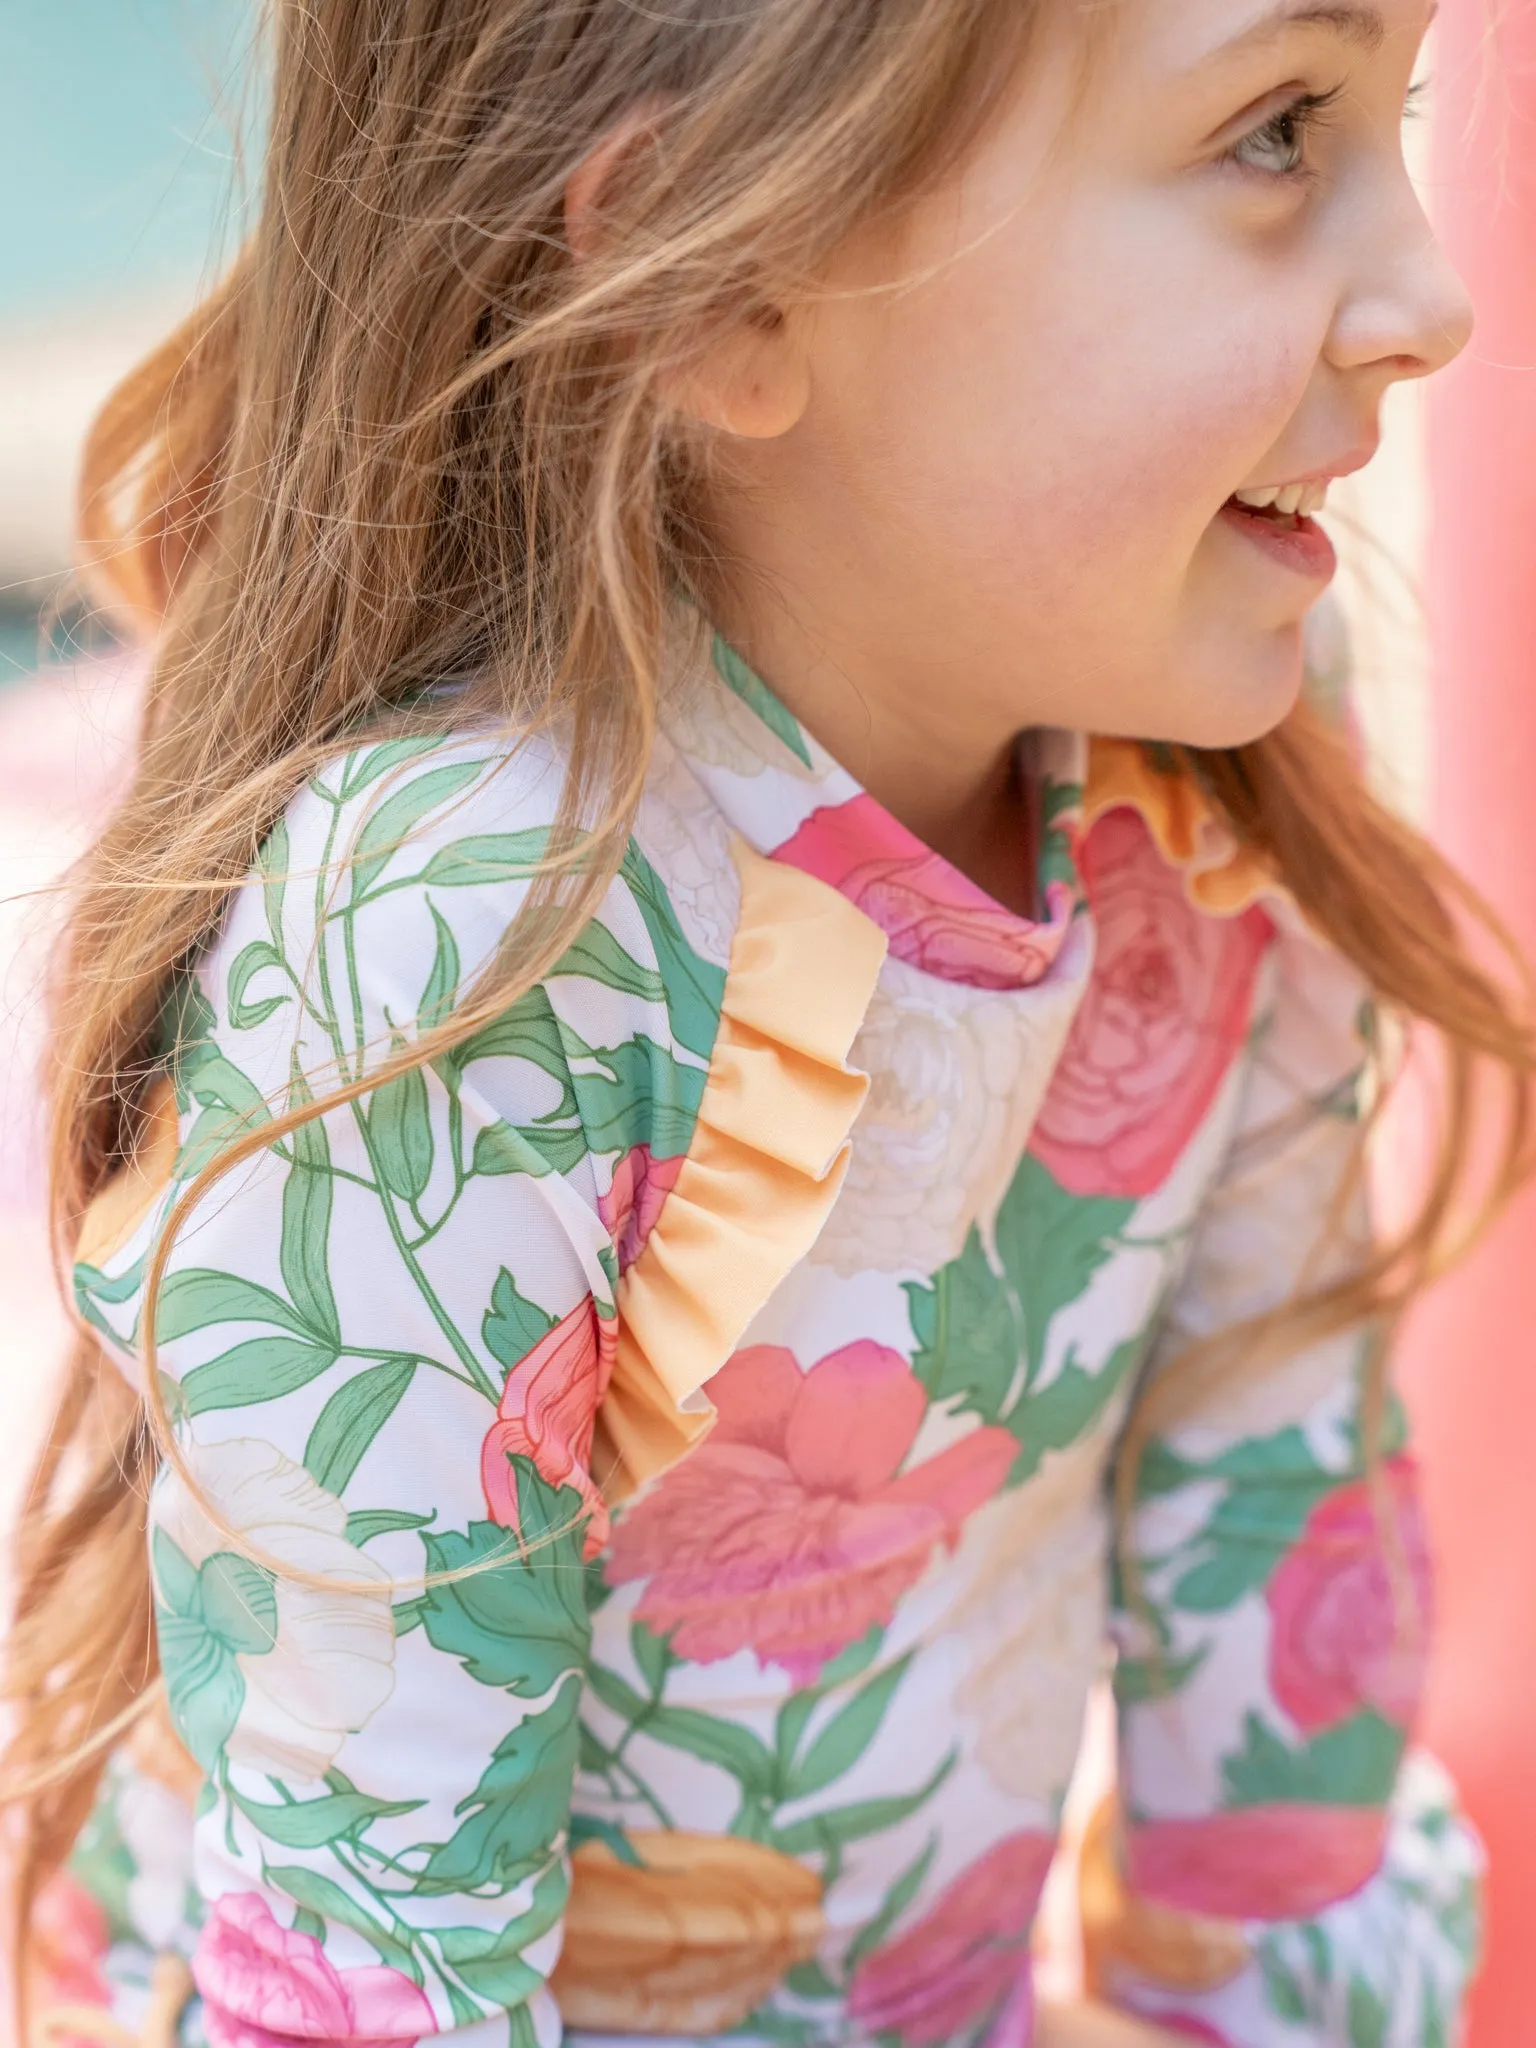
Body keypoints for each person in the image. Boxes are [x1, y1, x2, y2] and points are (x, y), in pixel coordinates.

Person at [5, 0, 1526, 2042]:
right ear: (728, 277)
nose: (1430, 296)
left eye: (1395, 112)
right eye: (1275, 128)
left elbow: (1282, 1657)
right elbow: (381, 1980)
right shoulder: (471, 943)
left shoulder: (1216, 780)